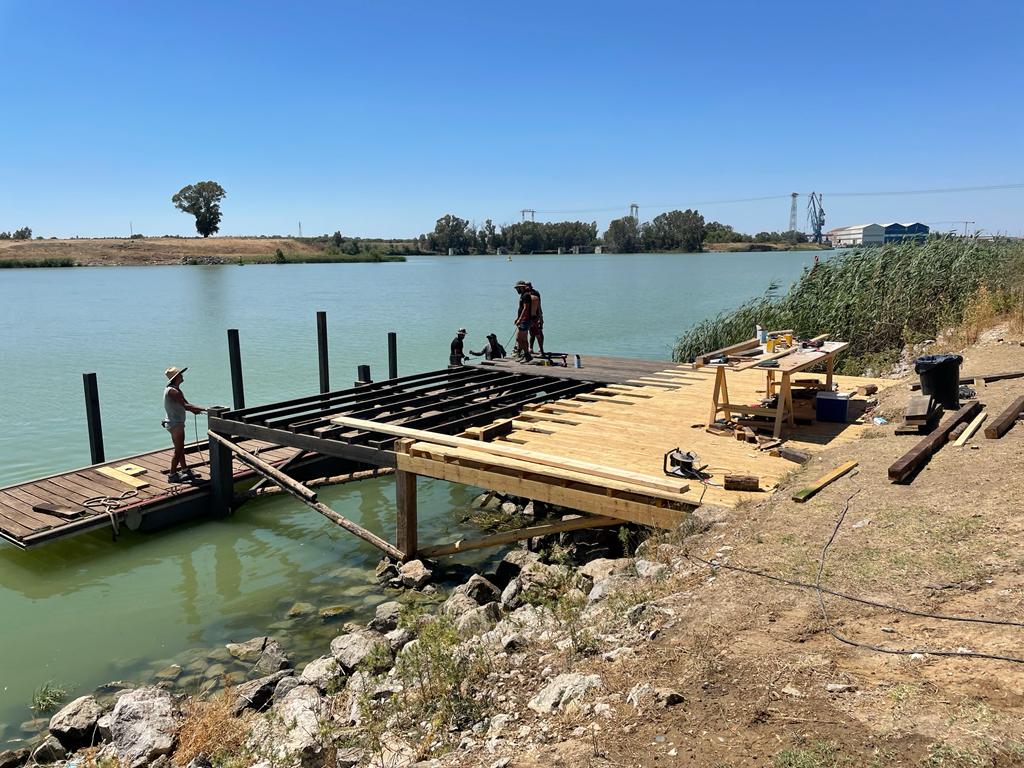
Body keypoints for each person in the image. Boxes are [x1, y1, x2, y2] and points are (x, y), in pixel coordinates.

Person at [163, 365, 205, 481]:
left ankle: (185, 469)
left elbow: (186, 406)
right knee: (178, 450)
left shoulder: (175, 389)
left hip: (177, 423)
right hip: (175, 424)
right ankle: (172, 475)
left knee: (181, 448)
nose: (182, 376)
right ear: (176, 377)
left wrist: (195, 410)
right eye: (180, 374)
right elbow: (186, 406)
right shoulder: (173, 391)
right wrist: (206, 409)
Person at [513, 281, 532, 361]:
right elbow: (520, 309)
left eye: (517, 288)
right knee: (518, 338)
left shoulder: (526, 295)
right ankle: (522, 354)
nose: (517, 290)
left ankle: (527, 356)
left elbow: (525, 308)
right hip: (522, 320)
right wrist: (517, 318)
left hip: (525, 320)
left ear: (521, 287)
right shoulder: (523, 295)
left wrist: (520, 319)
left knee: (523, 339)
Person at [526, 281, 545, 356]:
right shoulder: (525, 294)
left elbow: (539, 306)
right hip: (530, 316)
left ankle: (541, 349)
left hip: (536, 316)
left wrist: (541, 317)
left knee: (538, 332)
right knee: (532, 333)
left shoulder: (535, 294)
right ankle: (531, 348)